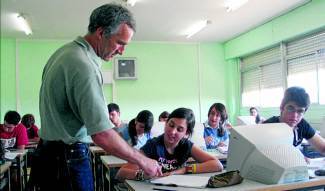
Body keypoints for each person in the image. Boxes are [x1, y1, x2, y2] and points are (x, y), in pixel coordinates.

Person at [31, 4, 162, 191]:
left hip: (47, 155)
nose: (121, 51)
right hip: (67, 160)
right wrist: (143, 160)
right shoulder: (84, 66)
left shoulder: (62, 53)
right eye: (120, 43)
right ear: (101, 33)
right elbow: (102, 134)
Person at [116, 107, 223, 181]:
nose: (172, 132)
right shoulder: (153, 145)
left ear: (186, 133)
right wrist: (143, 175)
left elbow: (217, 165)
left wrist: (185, 170)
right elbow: (121, 174)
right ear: (165, 123)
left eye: (180, 129)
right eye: (171, 125)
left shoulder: (186, 146)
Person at [263, 86, 325, 155]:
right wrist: (297, 157)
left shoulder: (302, 124)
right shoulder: (268, 126)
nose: (295, 116)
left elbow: (322, 147)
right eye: (290, 109)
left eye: (300, 111)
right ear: (281, 108)